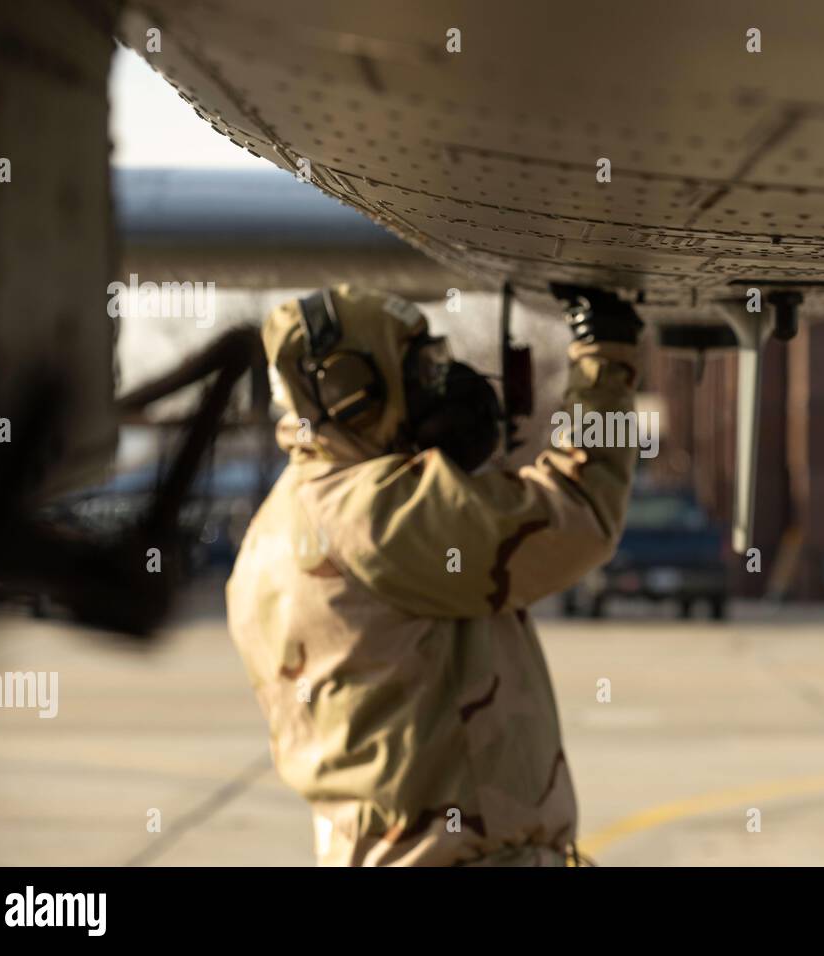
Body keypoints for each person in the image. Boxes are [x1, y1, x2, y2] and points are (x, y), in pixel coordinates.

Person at [225, 283, 643, 865]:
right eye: (418, 374)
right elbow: (584, 511)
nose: (440, 390)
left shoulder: (275, 527)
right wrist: (607, 361)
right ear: (349, 392)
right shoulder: (373, 512)